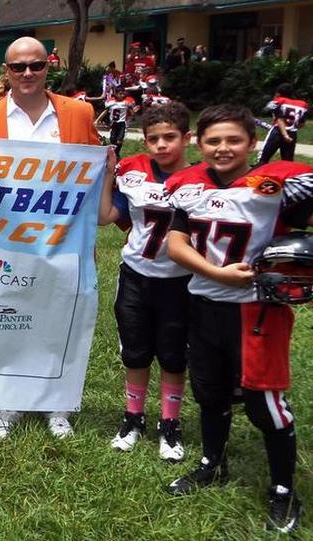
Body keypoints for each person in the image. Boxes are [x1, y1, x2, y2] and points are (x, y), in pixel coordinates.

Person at [163, 104, 313, 534]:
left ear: (253, 144)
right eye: (213, 140)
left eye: (234, 139)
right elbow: (177, 243)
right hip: (204, 303)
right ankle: (213, 463)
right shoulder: (189, 186)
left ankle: (284, 489)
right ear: (199, 144)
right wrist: (214, 273)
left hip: (257, 307)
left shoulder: (271, 189)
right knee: (210, 392)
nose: (223, 148)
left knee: (265, 403)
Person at [0, 37, 100, 440]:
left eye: (36, 66)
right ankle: (5, 403)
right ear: (5, 71)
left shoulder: (77, 112)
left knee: (59, 318)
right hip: (5, 239)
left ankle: (56, 403)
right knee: (4, 317)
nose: (27, 73)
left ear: (48, 67)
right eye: (18, 66)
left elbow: (94, 175)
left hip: (63, 238)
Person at [96, 102, 194, 462]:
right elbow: (106, 216)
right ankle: (133, 417)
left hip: (181, 280)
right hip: (136, 275)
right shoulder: (132, 170)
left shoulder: (202, 177)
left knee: (172, 355)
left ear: (187, 137)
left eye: (170, 137)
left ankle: (170, 423)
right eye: (154, 138)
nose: (162, 145)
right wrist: (107, 175)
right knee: (135, 351)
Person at [258, 83, 308, 165]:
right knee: (287, 162)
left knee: (263, 159)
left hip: (277, 132)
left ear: (278, 93)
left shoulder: (279, 101)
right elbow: (302, 124)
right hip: (292, 134)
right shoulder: (303, 104)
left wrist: (275, 98)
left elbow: (265, 110)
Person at [97, 87, 138, 156]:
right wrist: (98, 120)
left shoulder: (126, 103)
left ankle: (116, 153)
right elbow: (105, 111)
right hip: (113, 123)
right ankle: (113, 153)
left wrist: (134, 112)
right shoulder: (111, 102)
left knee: (119, 140)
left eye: (123, 94)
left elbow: (131, 113)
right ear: (115, 94)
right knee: (112, 139)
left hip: (122, 123)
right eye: (120, 94)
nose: (122, 95)